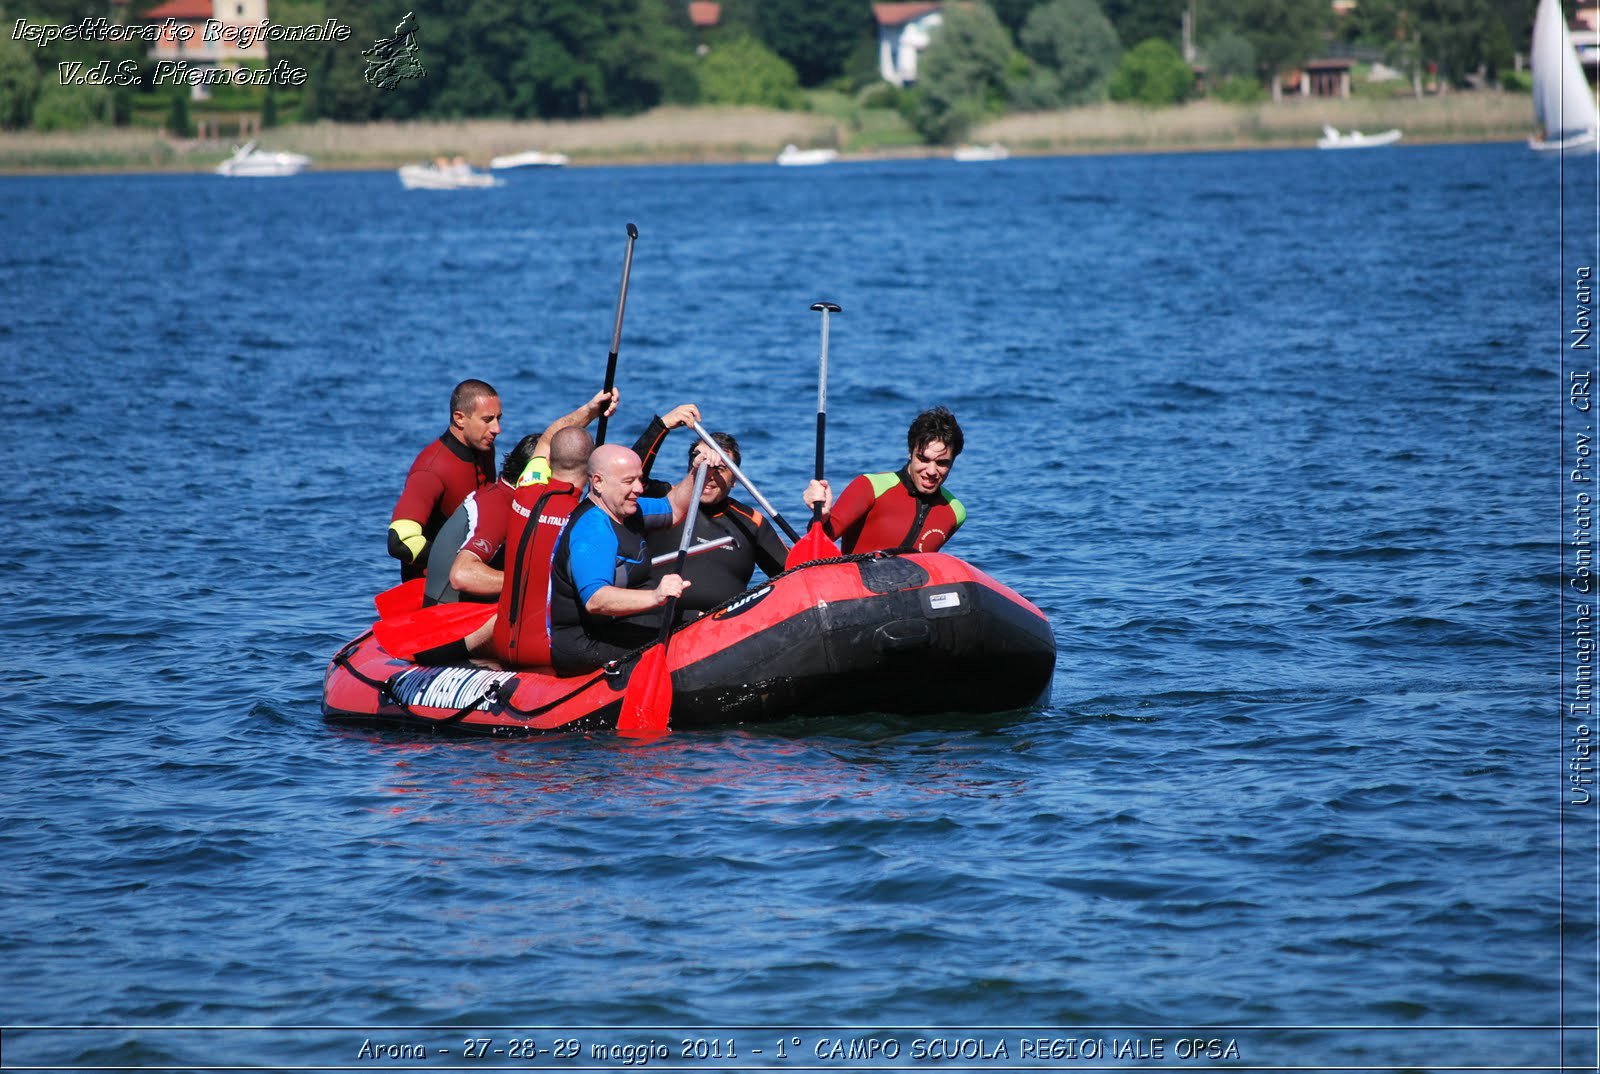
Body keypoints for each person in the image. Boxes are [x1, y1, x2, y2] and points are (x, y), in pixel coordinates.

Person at [422, 389, 618, 607]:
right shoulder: (502, 506)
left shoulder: (512, 492)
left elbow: (549, 438)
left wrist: (590, 411)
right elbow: (462, 575)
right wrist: (533, 582)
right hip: (449, 615)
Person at [547, 441, 700, 675]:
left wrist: (697, 472)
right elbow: (596, 600)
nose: (639, 488)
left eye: (639, 479)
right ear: (597, 482)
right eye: (629, 482)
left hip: (621, 626)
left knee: (697, 620)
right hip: (585, 644)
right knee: (686, 642)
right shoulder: (593, 528)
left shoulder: (628, 510)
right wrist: (656, 596)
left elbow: (674, 507)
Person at [640, 431, 787, 618]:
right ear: (691, 468)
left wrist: (820, 521)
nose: (708, 475)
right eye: (703, 466)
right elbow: (630, 479)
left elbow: (794, 572)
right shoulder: (662, 499)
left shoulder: (751, 522)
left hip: (722, 631)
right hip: (658, 623)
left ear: (734, 479)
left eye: (719, 469)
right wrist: (661, 426)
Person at [803, 406, 967, 554]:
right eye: (923, 459)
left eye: (942, 463)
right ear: (910, 452)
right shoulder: (870, 487)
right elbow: (816, 544)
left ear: (953, 461)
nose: (931, 471)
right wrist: (821, 517)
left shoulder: (954, 512)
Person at [388, 379, 502, 581]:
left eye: (498, 419)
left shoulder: (485, 449)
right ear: (459, 418)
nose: (497, 429)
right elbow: (400, 541)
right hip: (434, 589)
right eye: (488, 419)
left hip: (476, 574)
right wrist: (461, 561)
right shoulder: (431, 469)